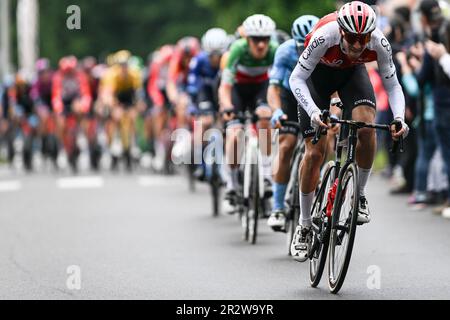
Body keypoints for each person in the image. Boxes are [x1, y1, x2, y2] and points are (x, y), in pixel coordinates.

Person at [289, 1, 409, 262]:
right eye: (352, 38)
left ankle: (361, 195)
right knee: (315, 153)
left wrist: (399, 118)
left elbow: (393, 85)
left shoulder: (379, 42)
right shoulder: (324, 35)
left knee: (366, 127)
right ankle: (305, 225)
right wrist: (313, 111)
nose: (357, 45)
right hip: (316, 79)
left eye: (363, 39)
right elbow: (295, 79)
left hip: (351, 75)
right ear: (341, 31)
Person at [218, 14, 278, 211]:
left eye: (265, 39)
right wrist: (227, 107)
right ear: (247, 39)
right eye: (255, 40)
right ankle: (232, 184)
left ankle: (267, 175)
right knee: (234, 135)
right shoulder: (237, 50)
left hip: (260, 89)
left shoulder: (274, 51)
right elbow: (225, 87)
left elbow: (277, 85)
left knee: (264, 120)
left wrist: (277, 108)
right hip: (237, 91)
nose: (261, 45)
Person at [266, 15, 319, 231]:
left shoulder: (326, 47)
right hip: (289, 95)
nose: (301, 51)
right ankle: (278, 207)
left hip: (316, 93)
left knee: (325, 143)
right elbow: (274, 87)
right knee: (287, 144)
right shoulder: (286, 51)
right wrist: (276, 110)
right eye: (299, 46)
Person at [415, 0, 450, 215]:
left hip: (442, 105)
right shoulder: (444, 28)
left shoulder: (433, 41)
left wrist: (420, 62)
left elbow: (422, 78)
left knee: (447, 153)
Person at [186, 28, 229, 180]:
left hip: (222, 91)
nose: (216, 59)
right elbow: (192, 85)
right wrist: (193, 104)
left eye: (219, 55)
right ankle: (200, 163)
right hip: (204, 92)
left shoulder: (229, 59)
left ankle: (225, 163)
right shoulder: (198, 60)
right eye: (212, 55)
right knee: (204, 123)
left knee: (227, 125)